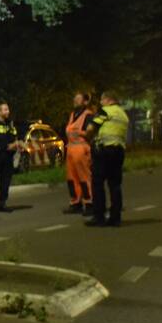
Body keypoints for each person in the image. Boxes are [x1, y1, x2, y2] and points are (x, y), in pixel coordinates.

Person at [85, 91, 129, 227]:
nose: (101, 103)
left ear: (109, 100)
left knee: (97, 183)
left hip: (103, 151)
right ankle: (115, 218)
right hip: (119, 151)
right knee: (115, 184)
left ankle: (99, 217)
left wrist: (89, 137)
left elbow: (90, 129)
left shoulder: (105, 111)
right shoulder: (123, 114)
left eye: (102, 100)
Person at [64, 92, 94, 215]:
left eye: (78, 99)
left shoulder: (88, 115)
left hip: (82, 150)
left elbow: (89, 132)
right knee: (71, 179)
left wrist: (80, 134)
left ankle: (89, 203)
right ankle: (75, 202)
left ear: (85, 102)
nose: (75, 101)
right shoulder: (72, 115)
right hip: (71, 150)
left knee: (84, 178)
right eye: (74, 98)